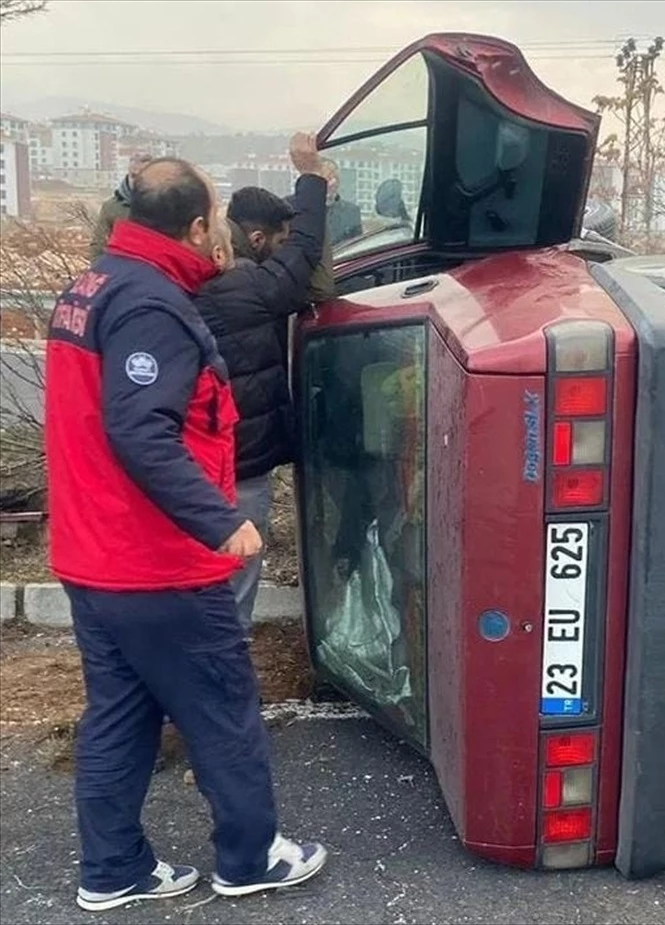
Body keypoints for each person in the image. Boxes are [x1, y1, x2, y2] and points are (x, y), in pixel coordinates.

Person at [44, 156, 327, 912]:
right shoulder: (150, 307)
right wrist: (220, 520)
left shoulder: (93, 286)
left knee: (121, 715)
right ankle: (250, 855)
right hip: (155, 562)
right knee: (223, 708)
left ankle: (112, 870)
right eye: (216, 223)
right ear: (198, 226)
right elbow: (141, 430)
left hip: (93, 556)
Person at [195, 133, 328, 633]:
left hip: (190, 463)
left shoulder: (170, 287)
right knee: (236, 577)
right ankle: (223, 675)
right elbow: (304, 253)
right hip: (240, 462)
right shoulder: (243, 288)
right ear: (252, 241)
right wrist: (312, 179)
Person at [89, 153, 153, 259]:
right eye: (134, 176)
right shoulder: (112, 207)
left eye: (143, 176)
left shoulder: (165, 206)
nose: (137, 181)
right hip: (122, 269)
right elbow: (98, 246)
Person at [324, 160, 363, 246]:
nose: (331, 183)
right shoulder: (302, 211)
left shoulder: (352, 211)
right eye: (326, 179)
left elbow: (357, 246)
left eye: (334, 178)